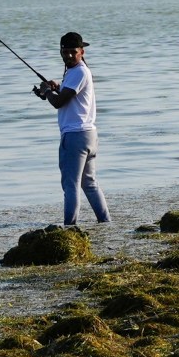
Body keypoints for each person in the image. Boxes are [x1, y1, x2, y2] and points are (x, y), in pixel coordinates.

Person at [31, 31, 110, 226]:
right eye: (64, 52)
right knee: (89, 184)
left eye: (72, 52)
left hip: (75, 137)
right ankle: (106, 222)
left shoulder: (78, 72)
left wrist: (48, 91)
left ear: (82, 51)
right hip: (89, 135)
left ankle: (69, 227)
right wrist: (56, 87)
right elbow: (68, 96)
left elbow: (58, 103)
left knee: (70, 185)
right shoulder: (78, 72)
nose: (67, 56)